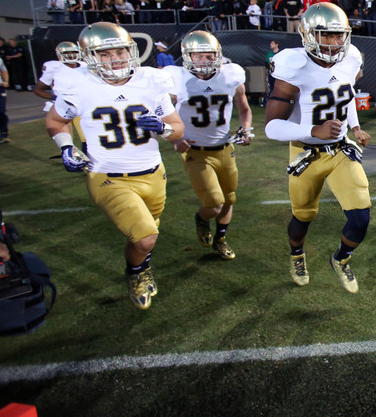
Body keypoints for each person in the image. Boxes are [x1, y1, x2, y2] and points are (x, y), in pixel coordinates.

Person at [45, 22, 185, 309]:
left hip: (154, 174)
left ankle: (141, 267)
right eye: (105, 54)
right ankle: (136, 273)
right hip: (108, 176)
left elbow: (177, 129)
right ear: (89, 56)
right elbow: (56, 120)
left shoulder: (151, 81)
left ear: (130, 51)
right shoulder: (78, 84)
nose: (115, 59)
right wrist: (66, 146)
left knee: (146, 234)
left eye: (120, 51)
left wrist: (163, 128)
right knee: (146, 237)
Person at [264, 3, 372, 293]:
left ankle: (341, 258)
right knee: (303, 215)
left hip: (339, 150)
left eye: (339, 35)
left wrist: (355, 126)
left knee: (361, 215)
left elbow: (345, 95)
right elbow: (272, 127)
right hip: (306, 153)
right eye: (327, 35)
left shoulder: (351, 58)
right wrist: (313, 130)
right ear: (309, 34)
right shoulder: (294, 65)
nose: (335, 42)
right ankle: (297, 255)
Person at [164, 31, 253, 261]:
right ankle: (202, 219)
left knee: (229, 199)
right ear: (188, 57)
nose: (205, 60)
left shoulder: (230, 76)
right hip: (195, 151)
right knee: (214, 203)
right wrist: (174, 138)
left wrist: (245, 129)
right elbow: (162, 113)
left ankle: (220, 239)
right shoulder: (177, 79)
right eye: (199, 56)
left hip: (225, 148)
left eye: (209, 55)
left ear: (218, 55)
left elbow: (244, 109)